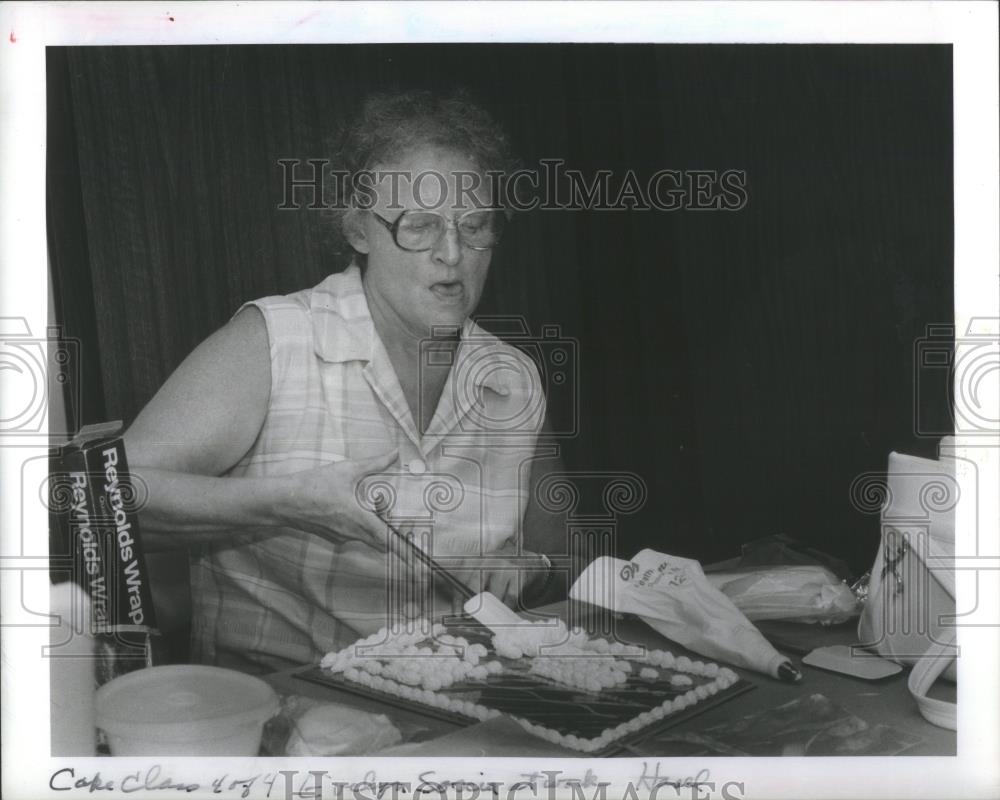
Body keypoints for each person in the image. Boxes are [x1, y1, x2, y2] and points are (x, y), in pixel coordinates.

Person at [124, 90, 565, 674]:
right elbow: (103, 501)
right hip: (291, 714)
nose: (453, 253)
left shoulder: (512, 379)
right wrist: (287, 504)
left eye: (475, 225)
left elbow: (564, 555)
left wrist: (527, 564)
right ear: (359, 229)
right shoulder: (274, 341)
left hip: (465, 701)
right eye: (419, 226)